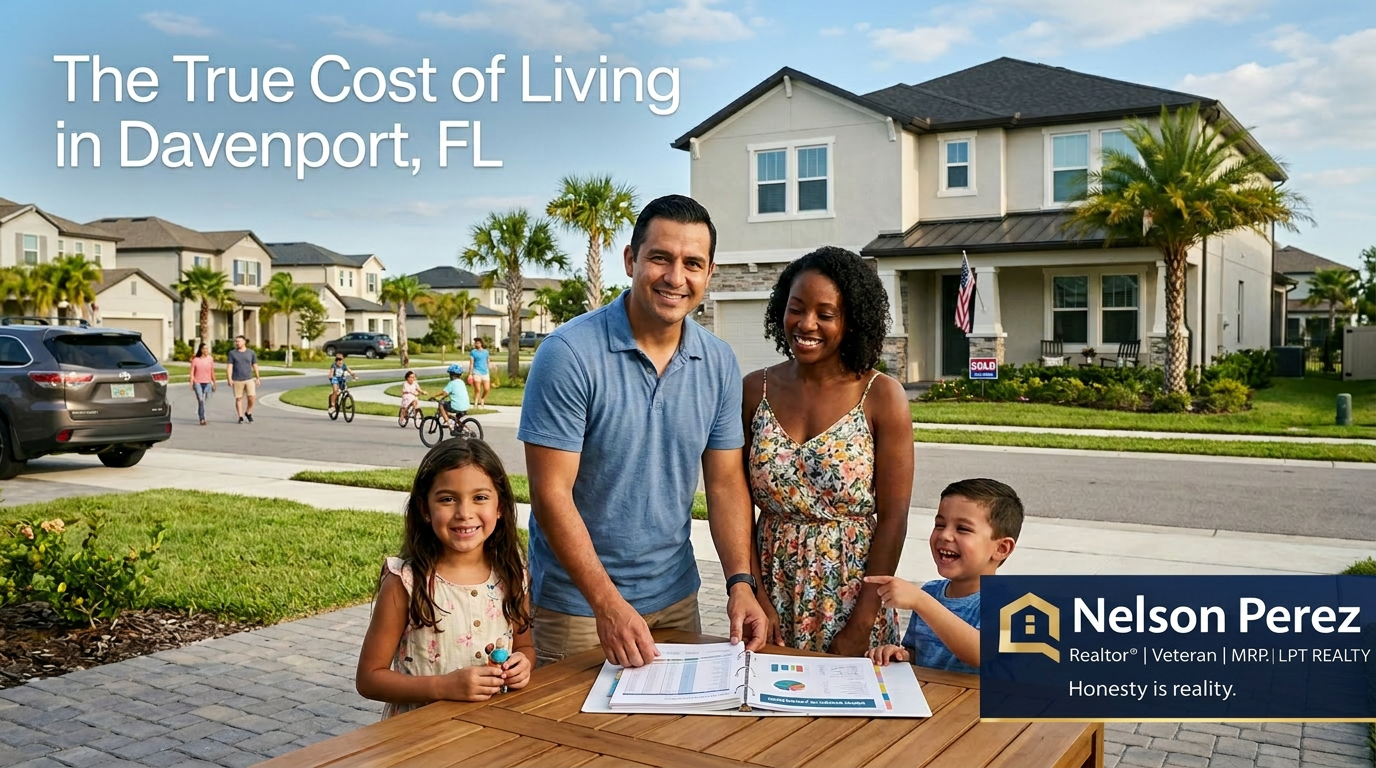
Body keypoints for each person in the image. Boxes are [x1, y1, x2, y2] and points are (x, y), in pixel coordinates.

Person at [519, 194, 767, 669]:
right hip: (579, 607)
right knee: (574, 742)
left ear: (709, 273)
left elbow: (725, 483)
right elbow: (551, 494)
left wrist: (740, 583)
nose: (676, 278)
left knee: (668, 733)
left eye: (693, 263)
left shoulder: (717, 362)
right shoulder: (569, 354)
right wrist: (606, 604)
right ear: (631, 259)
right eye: (660, 258)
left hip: (675, 597)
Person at [743, 246, 914, 656]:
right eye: (796, 308)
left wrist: (863, 622)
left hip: (854, 596)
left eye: (826, 314)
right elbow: (735, 505)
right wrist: (755, 595)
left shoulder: (882, 396)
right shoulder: (754, 390)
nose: (806, 324)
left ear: (851, 320)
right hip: (770, 591)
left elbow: (893, 519)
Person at [355, 439, 534, 717]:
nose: (464, 513)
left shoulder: (512, 575)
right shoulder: (406, 583)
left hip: (493, 728)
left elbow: (524, 646)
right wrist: (443, 687)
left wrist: (523, 665)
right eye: (447, 499)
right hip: (419, 738)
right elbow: (369, 679)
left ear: (500, 507)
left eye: (480, 497)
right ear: (425, 509)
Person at [864, 478, 1024, 675]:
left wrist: (920, 601)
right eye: (940, 525)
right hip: (936, 700)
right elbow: (918, 654)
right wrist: (900, 656)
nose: (945, 536)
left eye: (963, 529)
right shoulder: (931, 591)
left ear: (1001, 548)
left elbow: (980, 653)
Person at [226, 335, 261, 424]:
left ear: (244, 342)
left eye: (239, 341)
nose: (237, 343)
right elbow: (230, 367)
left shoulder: (251, 353)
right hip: (237, 379)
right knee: (239, 398)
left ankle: (248, 412)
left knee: (252, 397)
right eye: (236, 341)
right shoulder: (232, 353)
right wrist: (229, 379)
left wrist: (258, 377)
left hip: (249, 378)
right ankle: (240, 416)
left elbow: (255, 365)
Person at [189, 343, 217, 426]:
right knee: (200, 400)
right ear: (201, 350)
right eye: (204, 349)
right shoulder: (195, 360)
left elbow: (212, 371)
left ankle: (200, 411)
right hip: (198, 382)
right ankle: (202, 418)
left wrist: (214, 383)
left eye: (207, 349)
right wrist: (191, 383)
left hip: (208, 382)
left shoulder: (210, 359)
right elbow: (192, 372)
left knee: (206, 399)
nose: (206, 350)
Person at [438, 363, 471, 427]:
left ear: (452, 375)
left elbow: (444, 392)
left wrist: (434, 396)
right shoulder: (461, 382)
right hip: (465, 406)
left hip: (456, 407)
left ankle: (447, 422)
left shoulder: (452, 383)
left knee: (441, 404)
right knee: (457, 420)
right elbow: (454, 392)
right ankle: (465, 431)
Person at [468, 339, 492, 407]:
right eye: (475, 343)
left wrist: (489, 368)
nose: (476, 344)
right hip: (476, 372)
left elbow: (488, 361)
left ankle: (482, 399)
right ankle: (475, 403)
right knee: (477, 389)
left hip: (485, 372)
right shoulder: (473, 352)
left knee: (487, 388)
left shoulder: (486, 352)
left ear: (481, 343)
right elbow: (471, 363)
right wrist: (470, 374)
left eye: (478, 343)